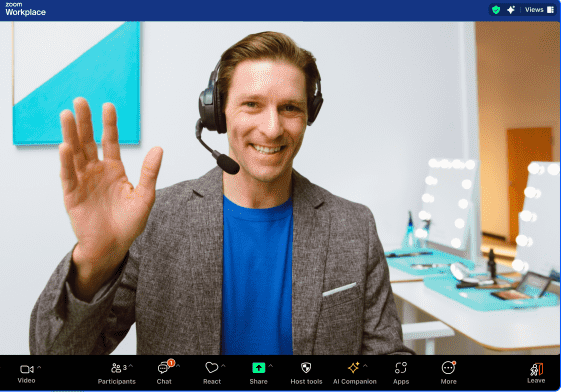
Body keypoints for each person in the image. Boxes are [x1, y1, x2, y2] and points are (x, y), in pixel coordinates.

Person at [29, 31, 407, 356]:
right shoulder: (156, 217)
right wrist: (93, 263)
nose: (272, 128)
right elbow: (55, 356)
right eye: (252, 105)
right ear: (218, 114)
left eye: (290, 108)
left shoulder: (353, 227)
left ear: (310, 114)